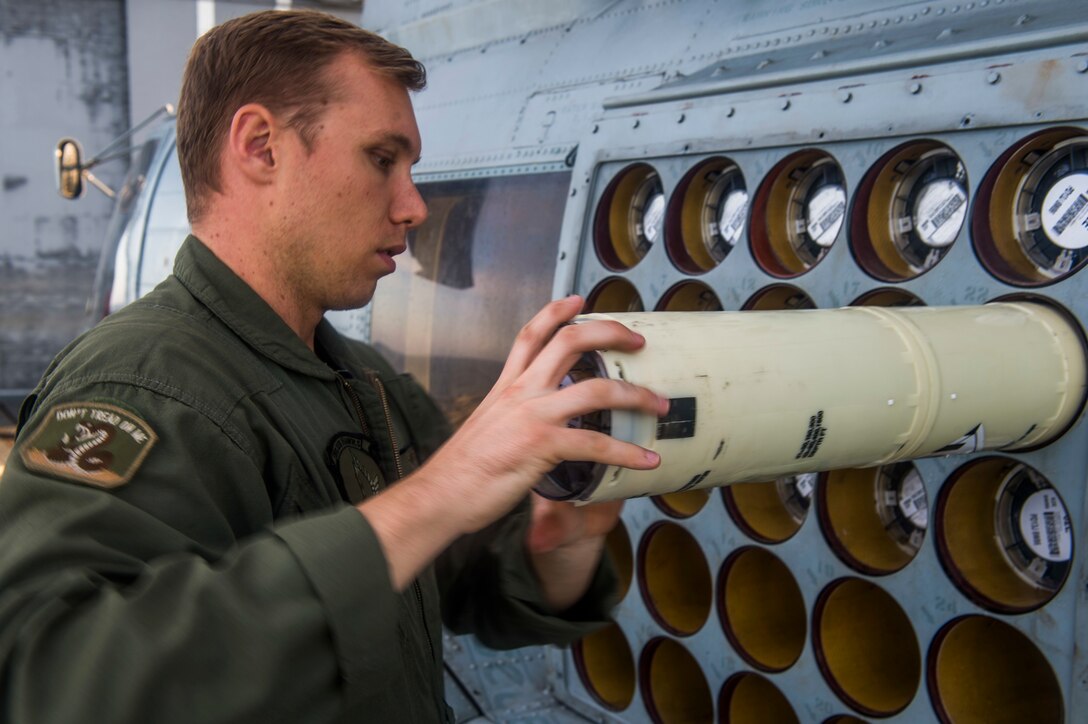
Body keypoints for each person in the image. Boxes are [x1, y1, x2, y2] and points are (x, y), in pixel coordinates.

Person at [0, 9, 666, 723]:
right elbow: (50, 678)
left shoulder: (365, 383)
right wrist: (443, 488)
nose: (412, 206)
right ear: (260, 147)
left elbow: (460, 584)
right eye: (382, 159)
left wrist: (555, 547)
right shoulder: (138, 386)